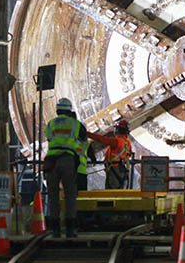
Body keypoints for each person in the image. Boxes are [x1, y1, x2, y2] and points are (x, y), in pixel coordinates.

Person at [43, 97, 87, 238]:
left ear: (57, 110)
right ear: (70, 110)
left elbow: (49, 138)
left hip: (51, 161)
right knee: (70, 195)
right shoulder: (75, 124)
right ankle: (69, 229)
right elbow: (83, 141)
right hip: (67, 160)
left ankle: (55, 230)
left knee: (53, 196)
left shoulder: (50, 124)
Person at [87, 119, 133, 189]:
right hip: (122, 170)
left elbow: (101, 139)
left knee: (111, 192)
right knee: (119, 190)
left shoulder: (116, 141)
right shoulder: (127, 143)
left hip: (114, 169)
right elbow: (129, 154)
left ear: (117, 130)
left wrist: (88, 134)